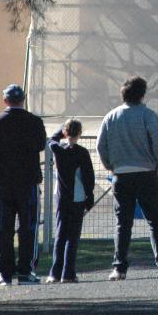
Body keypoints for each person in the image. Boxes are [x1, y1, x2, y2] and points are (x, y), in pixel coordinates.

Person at [96, 75, 158, 280]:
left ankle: (119, 268)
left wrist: (111, 166)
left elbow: (100, 146)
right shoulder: (148, 115)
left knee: (123, 223)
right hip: (146, 173)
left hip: (121, 175)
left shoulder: (110, 116)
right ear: (142, 94)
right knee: (156, 221)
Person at [0, 83, 47, 285]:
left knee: (4, 230)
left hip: (4, 182)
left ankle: (4, 274)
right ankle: (25, 271)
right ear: (23, 99)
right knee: (28, 227)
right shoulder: (34, 121)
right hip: (28, 180)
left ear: (5, 100)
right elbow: (40, 144)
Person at [47, 119, 95, 284]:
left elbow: (52, 139)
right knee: (73, 236)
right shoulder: (82, 152)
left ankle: (54, 273)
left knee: (60, 234)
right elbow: (89, 178)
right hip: (78, 196)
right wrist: (90, 197)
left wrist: (62, 130)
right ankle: (68, 273)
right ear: (80, 134)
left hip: (61, 197)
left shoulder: (58, 149)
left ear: (66, 133)